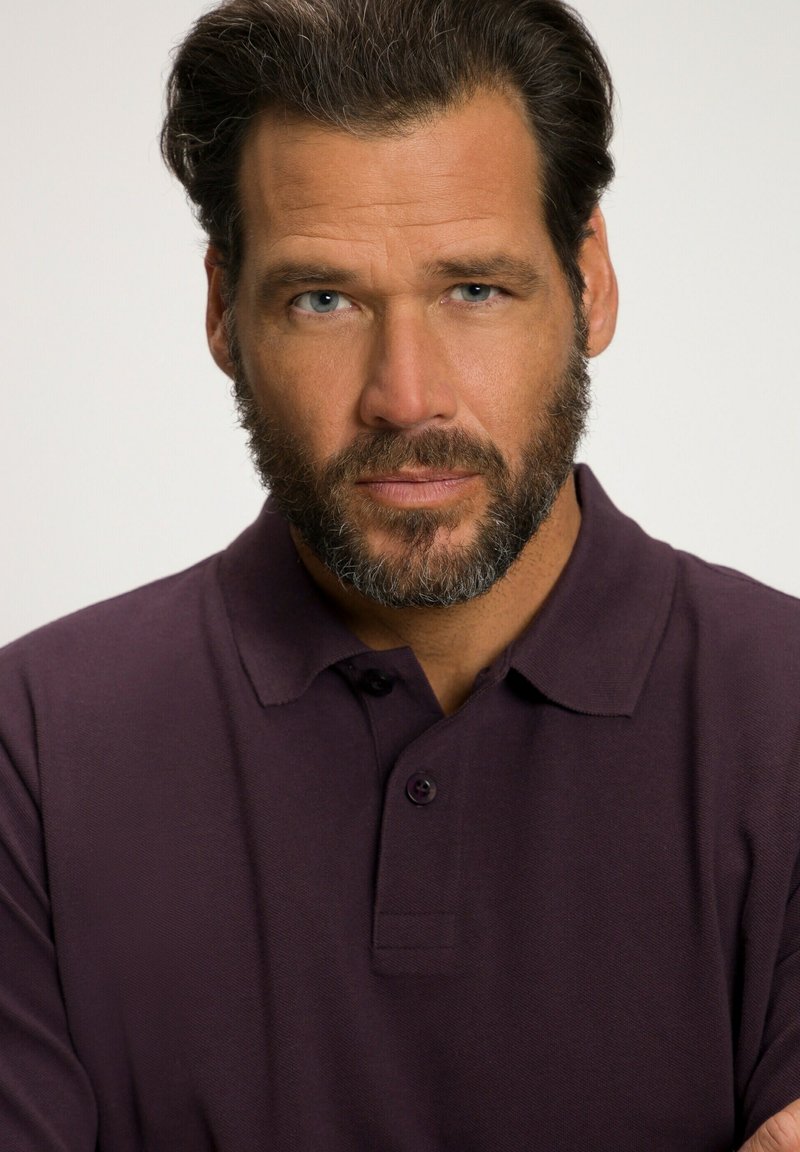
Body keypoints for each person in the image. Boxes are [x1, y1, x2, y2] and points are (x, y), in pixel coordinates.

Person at [1, 0, 798, 1148]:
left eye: (473, 289)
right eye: (322, 300)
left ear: (589, 281)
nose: (405, 395)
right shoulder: (30, 750)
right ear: (222, 311)